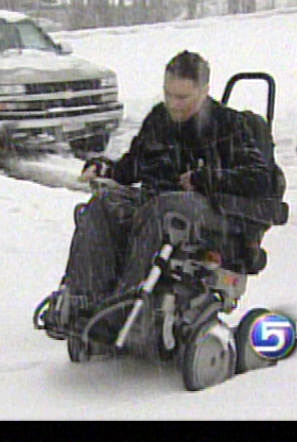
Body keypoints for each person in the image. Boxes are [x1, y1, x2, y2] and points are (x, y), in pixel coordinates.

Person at [43, 50, 273, 339]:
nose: (173, 106)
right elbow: (133, 166)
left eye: (182, 98)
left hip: (210, 212)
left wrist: (206, 178)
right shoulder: (158, 121)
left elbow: (260, 179)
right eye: (168, 95)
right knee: (104, 204)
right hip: (156, 203)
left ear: (204, 91)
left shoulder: (229, 126)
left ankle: (123, 309)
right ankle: (84, 302)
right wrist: (105, 168)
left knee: (163, 209)